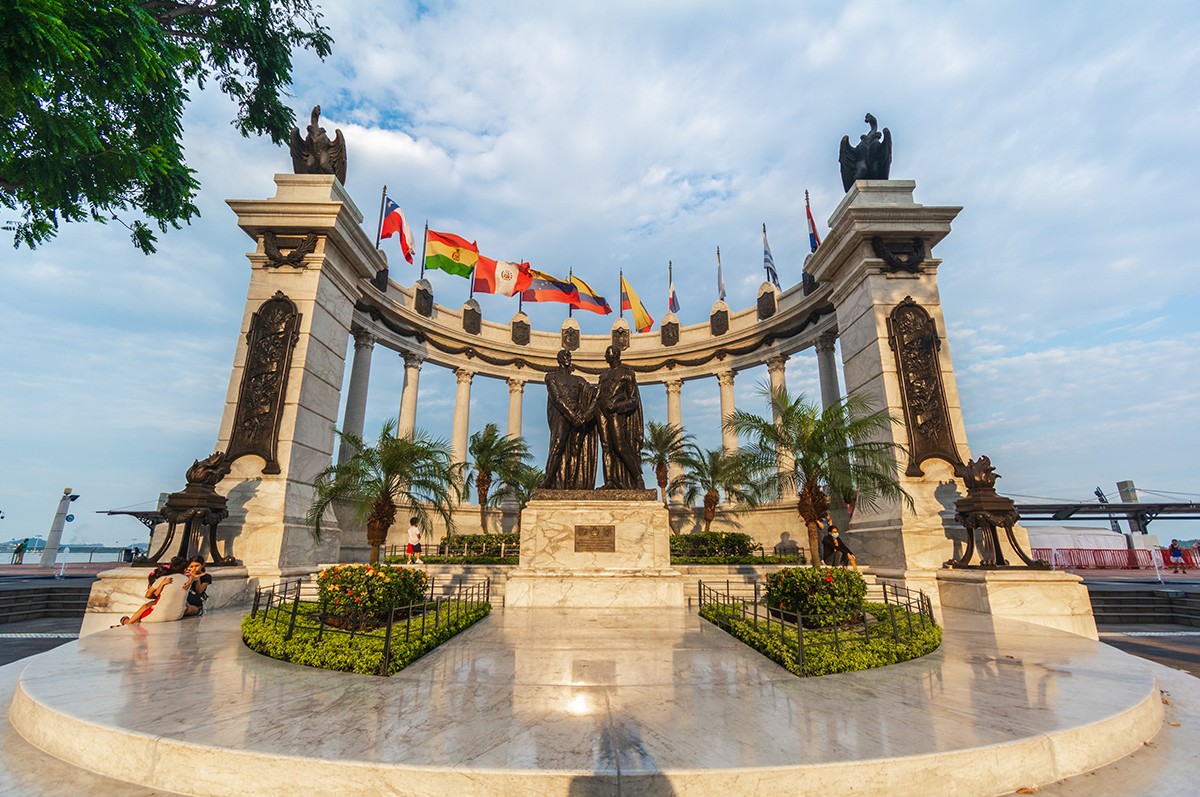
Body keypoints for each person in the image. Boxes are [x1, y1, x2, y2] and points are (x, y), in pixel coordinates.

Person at [542, 349, 599, 490]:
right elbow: (557, 398)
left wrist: (604, 387)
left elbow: (592, 392)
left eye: (569, 356)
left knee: (576, 449)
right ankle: (547, 480)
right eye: (564, 356)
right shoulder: (551, 377)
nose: (568, 358)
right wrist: (572, 416)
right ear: (559, 359)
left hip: (578, 415)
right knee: (557, 445)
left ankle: (572, 483)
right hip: (562, 415)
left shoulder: (577, 380)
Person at [596, 344, 645, 490]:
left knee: (620, 446)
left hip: (616, 413)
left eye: (607, 352)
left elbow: (633, 400)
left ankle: (638, 478)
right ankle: (610, 481)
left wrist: (617, 406)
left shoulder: (627, 373)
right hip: (601, 412)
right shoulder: (603, 376)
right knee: (606, 447)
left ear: (615, 355)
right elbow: (598, 396)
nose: (605, 355)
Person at [116, 556, 193, 626]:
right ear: (184, 569)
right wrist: (190, 580)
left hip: (159, 616)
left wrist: (161, 584)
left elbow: (148, 595)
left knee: (145, 609)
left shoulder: (163, 579)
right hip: (177, 616)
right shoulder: (186, 580)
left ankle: (128, 623)